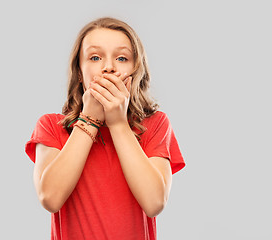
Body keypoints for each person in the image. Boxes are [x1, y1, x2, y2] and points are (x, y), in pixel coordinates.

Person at [25, 17, 186, 240]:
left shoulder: (155, 124)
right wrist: (90, 118)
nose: (108, 66)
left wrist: (118, 123)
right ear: (80, 73)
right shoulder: (52, 127)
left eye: (121, 58)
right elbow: (50, 198)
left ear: (135, 71)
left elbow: (155, 203)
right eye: (95, 57)